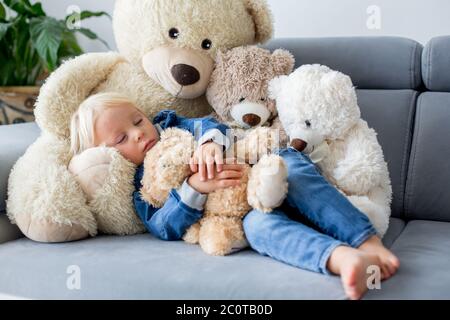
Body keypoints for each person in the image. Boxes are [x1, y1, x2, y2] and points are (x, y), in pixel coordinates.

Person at [70, 92, 245, 241]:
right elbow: (161, 225)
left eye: (138, 121)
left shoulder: (170, 126)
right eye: (121, 139)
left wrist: (209, 143)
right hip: (228, 215)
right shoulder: (141, 187)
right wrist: (194, 188)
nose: (138, 133)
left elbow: (207, 125)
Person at [243, 148, 400, 300]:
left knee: (289, 170)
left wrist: (217, 142)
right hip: (252, 203)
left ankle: (366, 241)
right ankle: (343, 258)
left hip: (272, 160)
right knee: (255, 225)